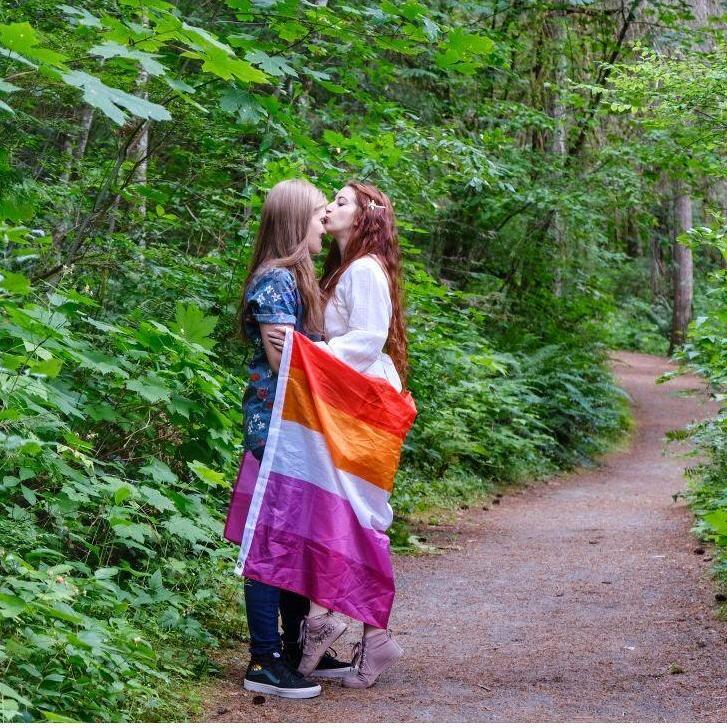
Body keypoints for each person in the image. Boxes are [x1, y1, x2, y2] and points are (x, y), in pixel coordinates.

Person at [268, 180, 409, 688]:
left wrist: (307, 352)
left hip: (363, 404)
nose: (329, 207)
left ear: (366, 215)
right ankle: (368, 634)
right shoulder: (345, 268)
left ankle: (355, 628)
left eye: (341, 201)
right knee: (345, 511)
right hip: (345, 401)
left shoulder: (366, 270)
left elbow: (368, 340)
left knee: (362, 515)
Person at [236, 179, 352, 699]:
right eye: (318, 216)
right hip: (277, 427)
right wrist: (312, 348)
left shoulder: (298, 281)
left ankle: (295, 646)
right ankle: (264, 660)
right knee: (270, 543)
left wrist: (310, 345)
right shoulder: (274, 282)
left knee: (297, 539)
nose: (325, 223)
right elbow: (285, 362)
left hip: (300, 426)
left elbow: (302, 350)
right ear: (293, 223)